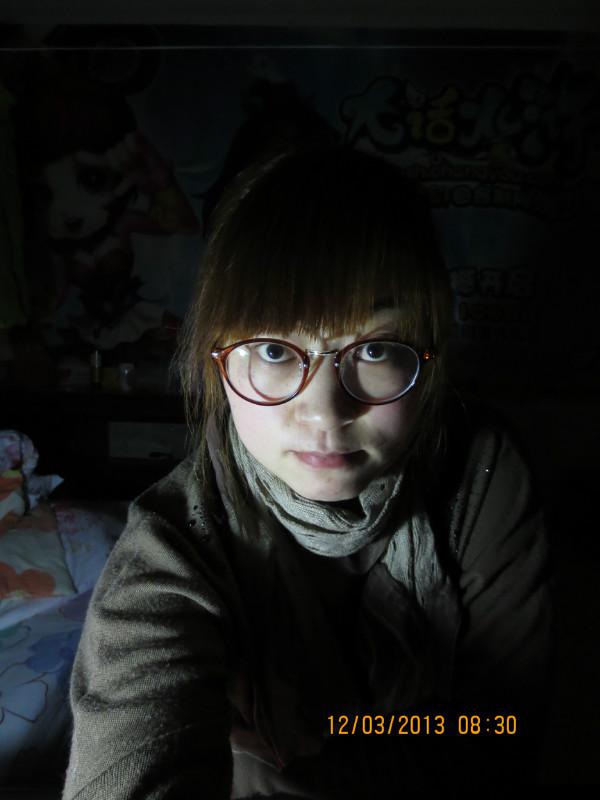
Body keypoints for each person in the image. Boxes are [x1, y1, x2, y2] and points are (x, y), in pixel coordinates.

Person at [62, 146, 554, 799]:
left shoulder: (479, 473)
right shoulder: (174, 547)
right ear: (218, 363)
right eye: (273, 349)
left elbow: (500, 734)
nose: (325, 411)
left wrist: (325, 740)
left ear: (428, 355)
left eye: (374, 349)